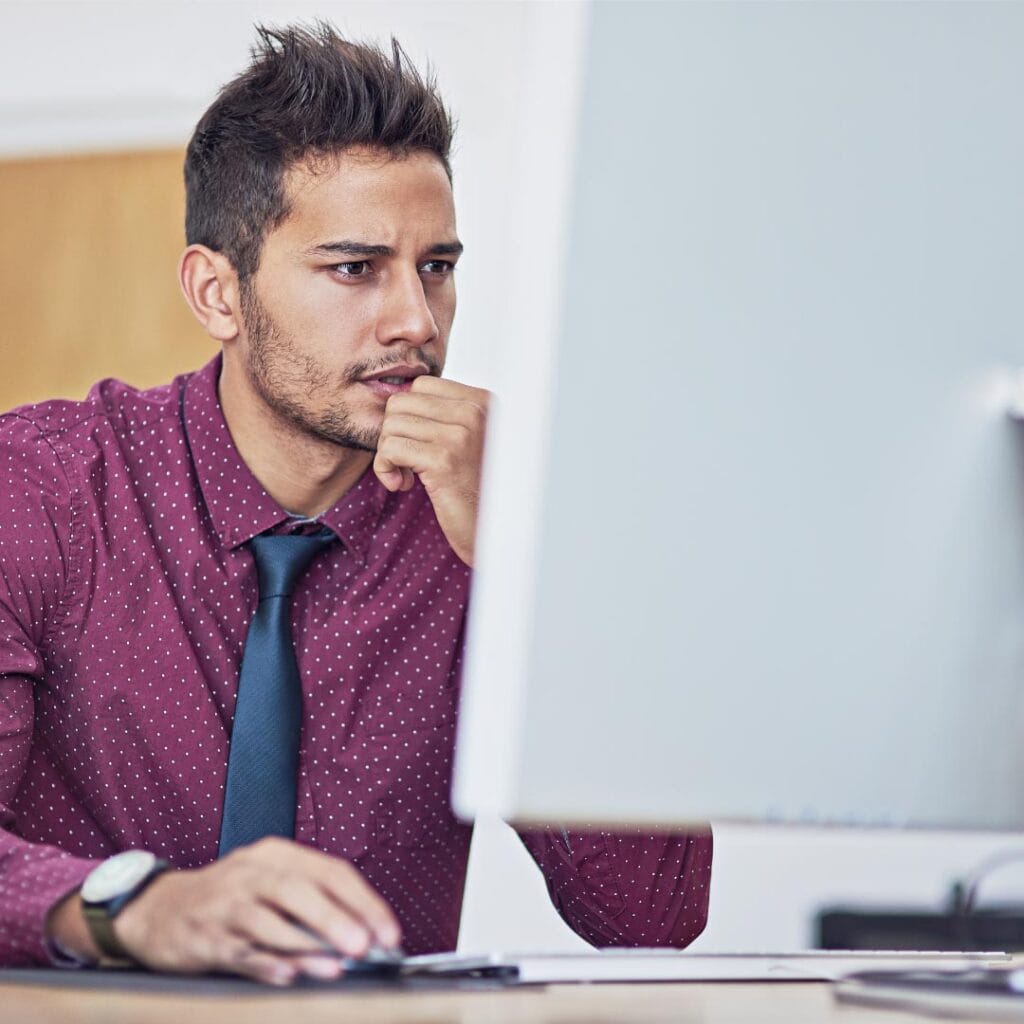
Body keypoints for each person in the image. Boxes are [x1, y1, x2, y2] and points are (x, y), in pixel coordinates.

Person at [0, 24, 712, 984]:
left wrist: (529, 572)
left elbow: (653, 916)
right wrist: (149, 906)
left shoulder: (490, 514)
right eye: (354, 268)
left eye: (437, 267)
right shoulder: (40, 489)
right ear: (218, 292)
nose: (416, 321)